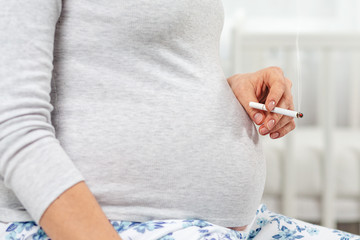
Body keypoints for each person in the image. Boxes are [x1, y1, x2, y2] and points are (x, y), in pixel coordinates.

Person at [0, 1, 359, 240]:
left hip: (240, 226)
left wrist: (227, 88)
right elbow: (14, 128)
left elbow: (146, 66)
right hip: (113, 227)